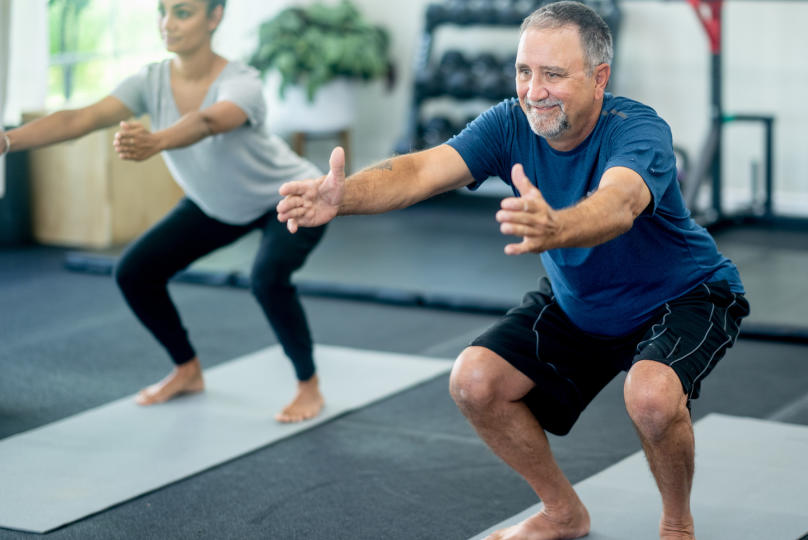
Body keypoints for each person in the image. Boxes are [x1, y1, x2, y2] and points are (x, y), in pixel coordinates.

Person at [278, 1, 748, 537]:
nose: (533, 90)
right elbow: (421, 170)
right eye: (524, 71)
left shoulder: (638, 129)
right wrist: (343, 196)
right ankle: (562, 512)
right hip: (584, 301)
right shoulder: (509, 123)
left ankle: (677, 524)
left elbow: (619, 205)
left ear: (600, 78)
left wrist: (558, 228)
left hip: (684, 294)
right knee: (474, 381)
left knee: (651, 397)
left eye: (553, 74)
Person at [0, 0, 328, 423]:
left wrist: (155, 141)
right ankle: (187, 370)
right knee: (135, 272)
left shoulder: (242, 82)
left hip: (288, 196)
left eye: (183, 13)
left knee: (267, 279)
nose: (168, 24)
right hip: (216, 204)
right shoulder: (150, 80)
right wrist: (7, 142)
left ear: (215, 17)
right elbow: (81, 119)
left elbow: (210, 121)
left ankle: (308, 385)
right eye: (163, 11)